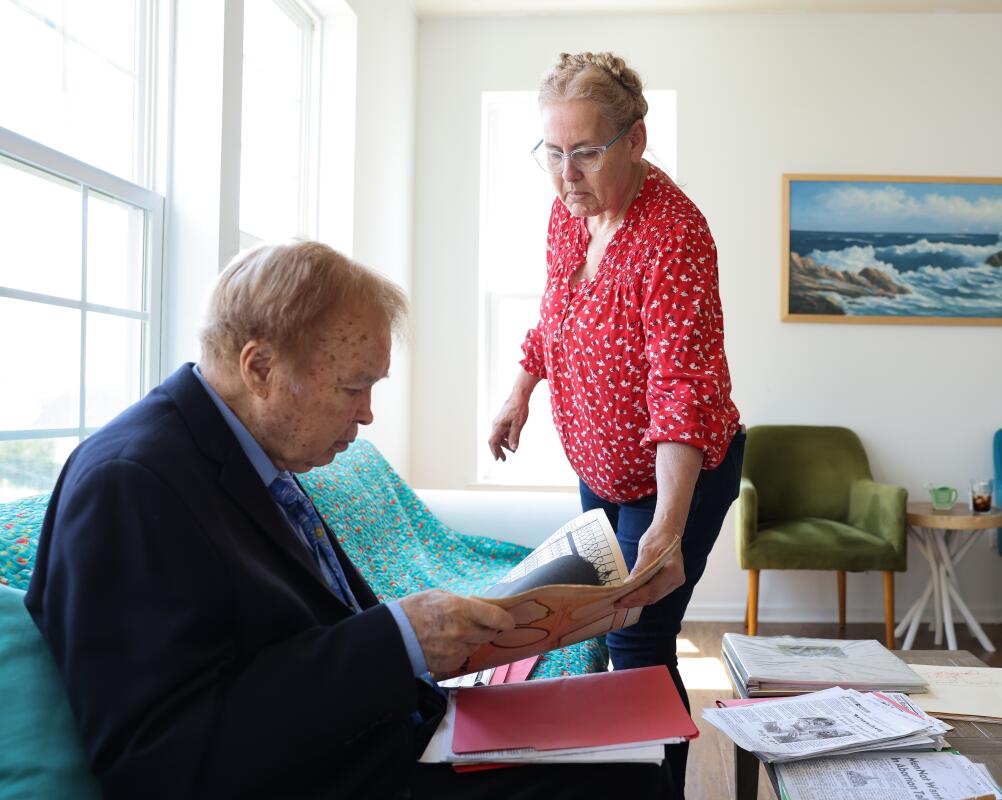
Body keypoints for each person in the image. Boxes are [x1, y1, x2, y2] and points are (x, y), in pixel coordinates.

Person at [25, 241, 673, 799]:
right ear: (260, 367)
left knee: (629, 744)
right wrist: (398, 641)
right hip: (333, 779)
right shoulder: (130, 485)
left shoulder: (246, 454)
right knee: (623, 774)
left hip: (373, 738)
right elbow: (159, 759)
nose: (366, 415)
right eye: (353, 387)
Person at [488, 52, 744, 795]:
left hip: (674, 471)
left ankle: (659, 789)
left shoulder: (675, 236)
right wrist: (522, 388)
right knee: (605, 633)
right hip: (600, 470)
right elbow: (553, 316)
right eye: (553, 153)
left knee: (638, 639)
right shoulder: (569, 214)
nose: (566, 174)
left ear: (635, 139)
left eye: (587, 152)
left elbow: (683, 392)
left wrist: (666, 531)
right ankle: (609, 780)